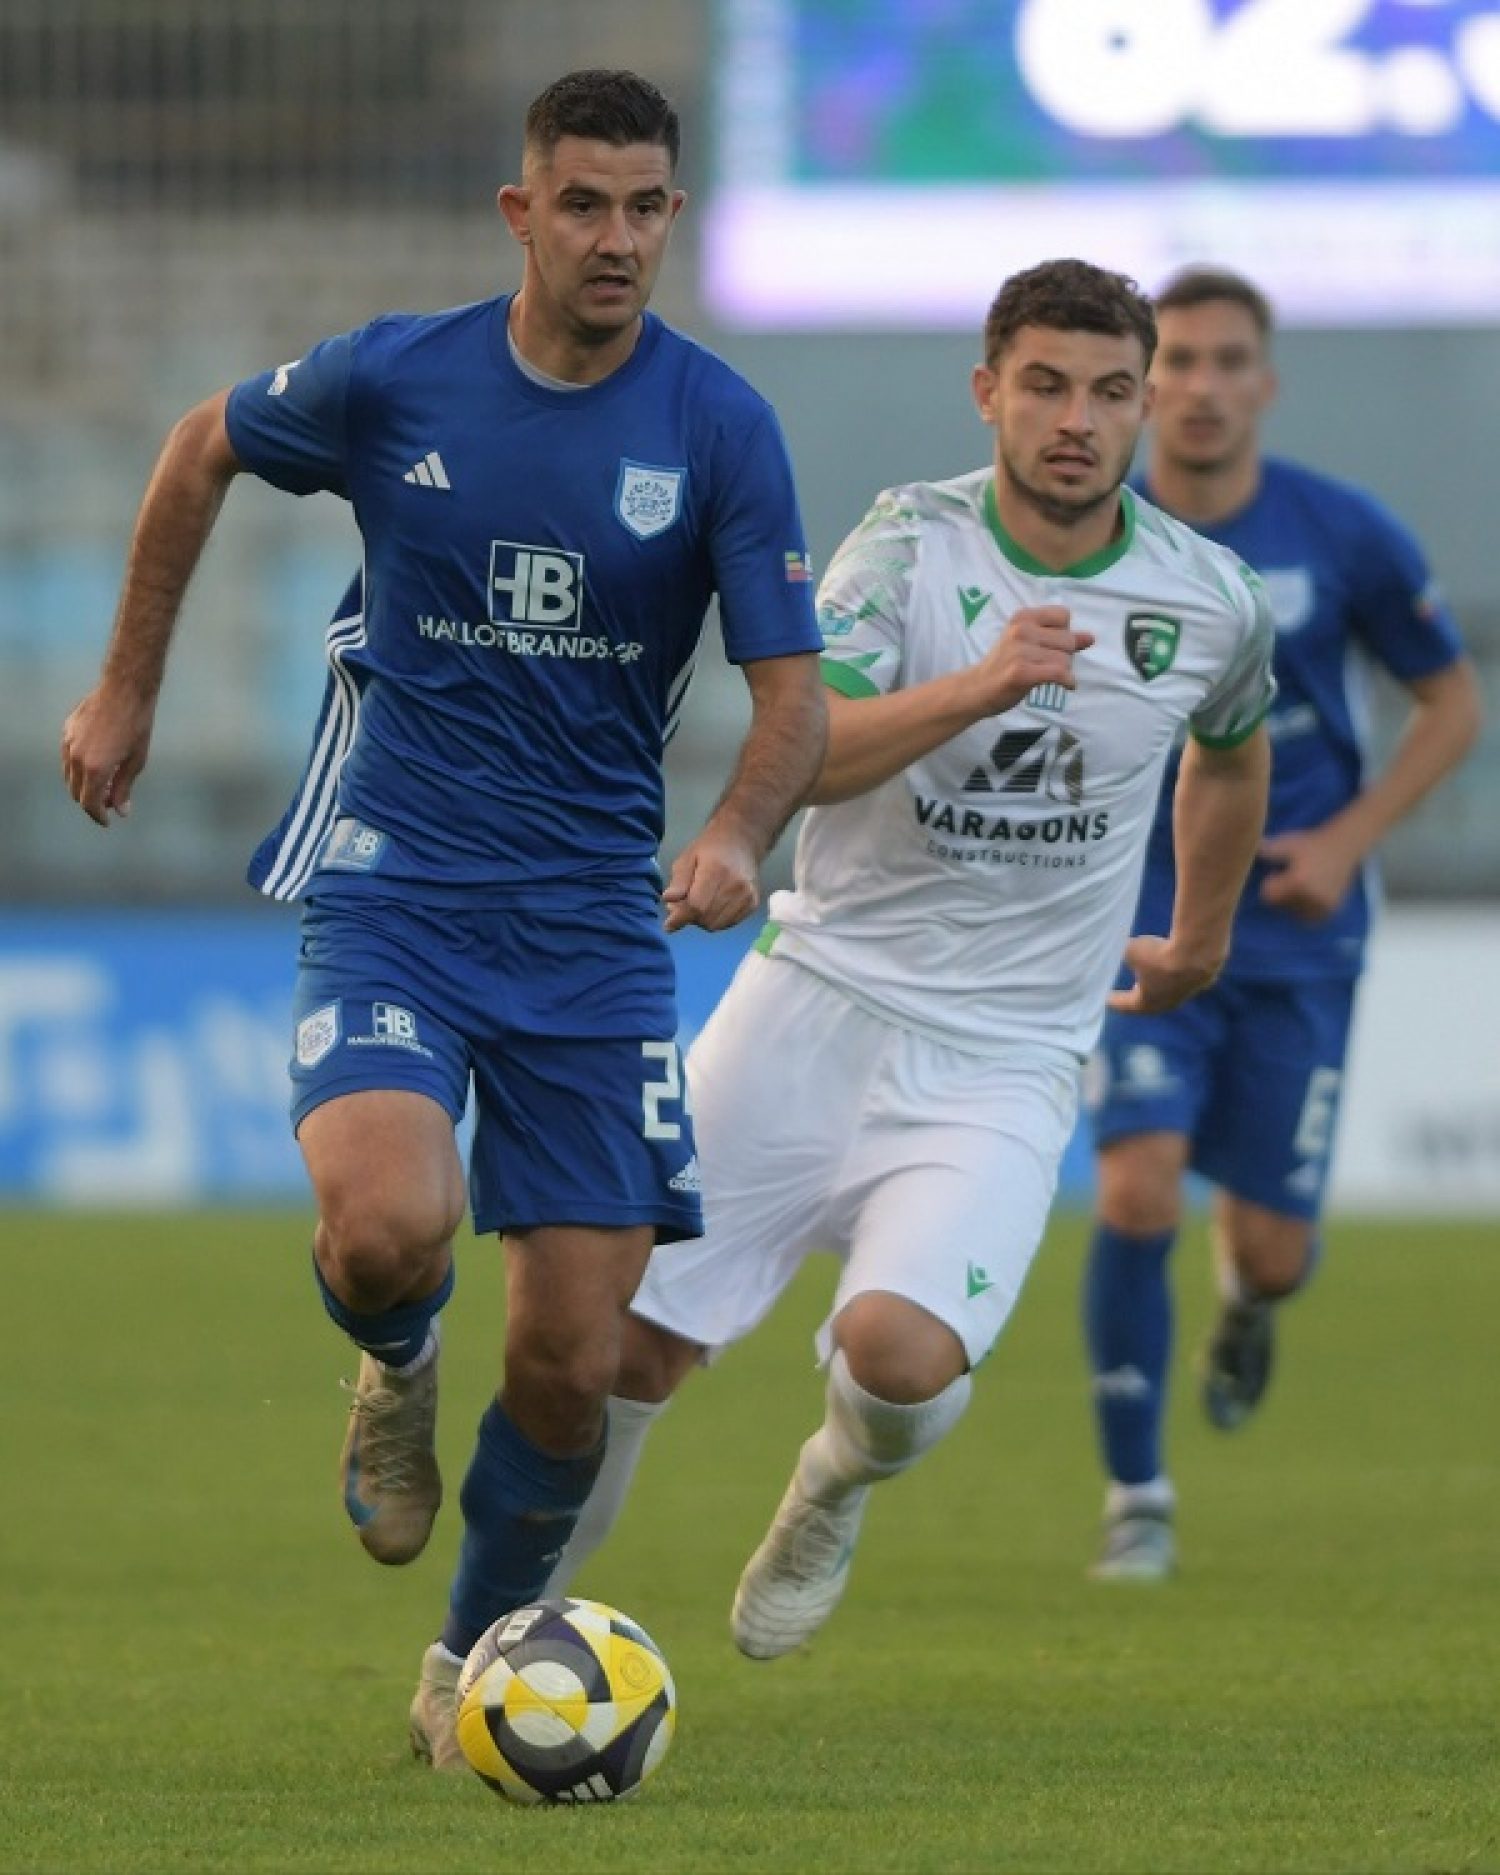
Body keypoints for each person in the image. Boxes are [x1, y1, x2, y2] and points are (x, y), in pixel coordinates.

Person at [59, 69, 827, 1763]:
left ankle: (469, 1659)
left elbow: (795, 696)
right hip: (396, 883)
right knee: (385, 1226)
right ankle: (394, 1364)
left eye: (645, 208)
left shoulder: (719, 426)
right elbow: (198, 447)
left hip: (595, 930)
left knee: (570, 1359)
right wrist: (126, 690)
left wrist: (735, 834)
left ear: (673, 218)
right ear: (520, 212)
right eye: (584, 204)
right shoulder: (397, 375)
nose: (616, 237)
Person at [449, 256, 1276, 1720]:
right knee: (622, 1346)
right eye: (1044, 386)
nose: (1076, 420)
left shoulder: (1210, 599)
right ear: (988, 392)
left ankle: (830, 1485)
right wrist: (982, 686)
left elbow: (1230, 747)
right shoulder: (907, 546)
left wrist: (1200, 935)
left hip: (1006, 1052)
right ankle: (481, 1666)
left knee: (899, 1364)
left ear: (1144, 404)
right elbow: (805, 748)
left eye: (1109, 392)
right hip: (814, 998)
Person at [1082, 268, 1483, 1582]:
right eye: (1179, 362)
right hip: (1137, 912)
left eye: (1227, 361)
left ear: (1266, 382)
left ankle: (1247, 1304)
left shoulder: (1343, 531)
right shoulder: (1095, 533)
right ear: (1145, 386)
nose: (1201, 387)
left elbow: (1451, 705)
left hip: (1303, 928)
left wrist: (1349, 841)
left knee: (1275, 1250)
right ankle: (1137, 1496)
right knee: (1136, 1184)